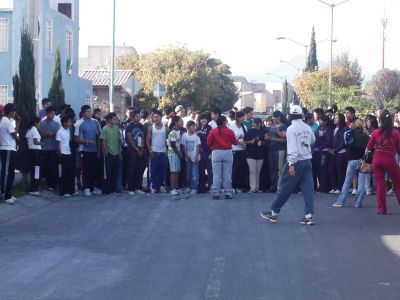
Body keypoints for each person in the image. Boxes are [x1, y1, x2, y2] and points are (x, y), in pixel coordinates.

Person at [260, 105, 316, 225]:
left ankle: (274, 213)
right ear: (302, 115)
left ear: (290, 116)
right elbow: (312, 140)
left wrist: (291, 164)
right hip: (307, 160)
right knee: (308, 189)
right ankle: (309, 216)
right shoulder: (307, 127)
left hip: (296, 161)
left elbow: (292, 148)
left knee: (285, 187)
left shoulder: (291, 129)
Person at [366, 111, 400, 215]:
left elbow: (369, 147)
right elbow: (398, 148)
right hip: (390, 160)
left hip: (377, 160)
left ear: (380, 120)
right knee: (398, 183)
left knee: (380, 185)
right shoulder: (396, 133)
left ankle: (382, 209)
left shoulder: (376, 132)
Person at [333, 119, 370, 208]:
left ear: (354, 125)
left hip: (352, 160)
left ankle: (340, 201)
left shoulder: (351, 133)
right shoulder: (366, 136)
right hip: (362, 161)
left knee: (347, 181)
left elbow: (346, 143)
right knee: (361, 183)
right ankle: (358, 202)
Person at [207, 116, 238, 199]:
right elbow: (235, 142)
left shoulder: (213, 131)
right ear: (224, 122)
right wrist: (238, 139)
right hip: (227, 152)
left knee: (217, 174)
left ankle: (215, 193)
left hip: (216, 153)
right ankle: (228, 192)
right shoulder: (230, 131)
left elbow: (209, 143)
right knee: (227, 174)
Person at [75, 105, 102, 196]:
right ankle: (86, 188)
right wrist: (87, 142)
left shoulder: (95, 122)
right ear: (83, 113)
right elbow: (76, 139)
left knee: (93, 169)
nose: (89, 113)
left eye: (90, 111)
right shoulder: (79, 123)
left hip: (94, 150)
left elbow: (98, 136)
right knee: (85, 170)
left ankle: (92, 187)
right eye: (87, 111)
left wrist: (98, 149)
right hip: (84, 150)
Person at [0, 104, 19, 204]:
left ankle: (8, 193)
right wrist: (18, 122)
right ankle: (6, 195)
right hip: (7, 149)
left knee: (10, 173)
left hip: (10, 149)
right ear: (11, 111)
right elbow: (15, 136)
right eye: (14, 111)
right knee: (7, 173)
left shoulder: (7, 121)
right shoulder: (6, 122)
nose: (15, 113)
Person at [265, 111, 288, 193]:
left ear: (279, 117)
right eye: (273, 118)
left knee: (280, 168)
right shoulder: (272, 127)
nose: (273, 120)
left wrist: (273, 136)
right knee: (272, 169)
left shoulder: (283, 126)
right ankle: (273, 185)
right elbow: (267, 135)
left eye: (275, 118)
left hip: (280, 149)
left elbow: (283, 138)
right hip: (271, 149)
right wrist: (266, 137)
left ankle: (280, 186)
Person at [146, 109, 168, 193]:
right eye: (154, 117)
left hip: (163, 152)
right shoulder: (150, 128)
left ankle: (162, 185)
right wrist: (150, 151)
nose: (155, 119)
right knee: (153, 171)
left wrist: (167, 150)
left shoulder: (165, 128)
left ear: (161, 118)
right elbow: (147, 140)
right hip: (154, 152)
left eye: (157, 117)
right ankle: (154, 186)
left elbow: (168, 140)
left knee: (162, 170)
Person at [39, 106, 61, 191]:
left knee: (53, 167)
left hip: (53, 148)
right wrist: (50, 134)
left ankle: (53, 184)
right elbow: (40, 134)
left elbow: (57, 135)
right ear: (47, 113)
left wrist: (48, 134)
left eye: (54, 113)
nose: (53, 115)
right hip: (44, 148)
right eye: (51, 113)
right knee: (45, 167)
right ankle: (47, 184)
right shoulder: (41, 123)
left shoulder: (56, 124)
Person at [100, 113, 121, 195]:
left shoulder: (116, 128)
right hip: (109, 153)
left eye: (116, 119)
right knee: (107, 173)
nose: (115, 120)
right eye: (114, 119)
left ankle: (113, 189)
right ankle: (107, 190)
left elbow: (119, 141)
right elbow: (103, 142)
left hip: (116, 153)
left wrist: (119, 152)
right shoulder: (105, 129)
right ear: (109, 120)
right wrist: (106, 152)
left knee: (114, 172)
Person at [126, 110, 146, 196]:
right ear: (132, 117)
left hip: (140, 150)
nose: (139, 118)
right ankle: (131, 188)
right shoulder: (129, 126)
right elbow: (130, 139)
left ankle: (138, 187)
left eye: (139, 116)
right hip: (132, 151)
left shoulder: (142, 126)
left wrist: (141, 149)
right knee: (131, 169)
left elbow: (143, 137)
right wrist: (137, 149)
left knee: (140, 169)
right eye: (136, 116)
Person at [244, 118, 266, 193]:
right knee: (252, 170)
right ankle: (252, 187)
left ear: (259, 124)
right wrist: (251, 142)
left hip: (260, 153)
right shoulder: (250, 131)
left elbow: (266, 142)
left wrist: (262, 143)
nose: (253, 124)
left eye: (254, 123)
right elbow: (245, 141)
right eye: (253, 123)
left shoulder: (263, 131)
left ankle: (257, 187)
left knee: (258, 171)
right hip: (250, 153)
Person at [56, 115, 76, 197]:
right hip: (62, 154)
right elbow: (58, 144)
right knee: (63, 173)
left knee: (70, 172)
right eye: (69, 121)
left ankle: (71, 190)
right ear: (64, 123)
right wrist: (60, 154)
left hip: (68, 153)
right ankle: (63, 191)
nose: (70, 123)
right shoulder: (59, 132)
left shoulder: (68, 130)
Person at [328, 114, 347, 194]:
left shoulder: (344, 129)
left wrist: (335, 150)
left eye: (336, 118)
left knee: (340, 171)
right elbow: (331, 140)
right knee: (331, 170)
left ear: (340, 119)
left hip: (341, 153)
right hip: (333, 153)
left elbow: (343, 142)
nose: (334, 119)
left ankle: (339, 187)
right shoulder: (334, 129)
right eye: (334, 118)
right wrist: (330, 148)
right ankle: (334, 186)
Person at [229, 111, 247, 193]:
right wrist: (238, 141)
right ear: (237, 118)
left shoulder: (244, 127)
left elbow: (245, 138)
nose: (243, 119)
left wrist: (244, 144)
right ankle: (233, 186)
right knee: (234, 169)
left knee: (241, 169)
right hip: (234, 150)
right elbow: (229, 139)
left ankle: (239, 186)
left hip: (242, 150)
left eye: (244, 117)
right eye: (242, 117)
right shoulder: (231, 126)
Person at [313, 115, 332, 193]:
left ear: (325, 122)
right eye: (319, 120)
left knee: (323, 169)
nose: (319, 122)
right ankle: (321, 186)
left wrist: (320, 148)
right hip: (317, 152)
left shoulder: (327, 129)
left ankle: (324, 187)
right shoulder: (319, 129)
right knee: (318, 169)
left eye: (321, 120)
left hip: (324, 152)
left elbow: (328, 141)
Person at [182, 120, 201, 195]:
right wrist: (186, 155)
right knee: (188, 173)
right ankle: (189, 187)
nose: (194, 127)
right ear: (188, 127)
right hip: (188, 158)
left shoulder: (196, 137)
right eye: (192, 126)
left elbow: (198, 147)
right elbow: (183, 146)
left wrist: (196, 157)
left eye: (194, 126)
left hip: (195, 158)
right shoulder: (184, 136)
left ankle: (194, 188)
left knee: (195, 174)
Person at [26, 117, 43, 196]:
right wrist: (42, 143)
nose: (39, 124)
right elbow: (35, 142)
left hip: (31, 151)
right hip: (36, 151)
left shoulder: (29, 130)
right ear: (36, 123)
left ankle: (32, 188)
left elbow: (27, 140)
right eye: (39, 123)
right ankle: (34, 188)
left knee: (33, 169)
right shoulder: (34, 129)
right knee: (36, 169)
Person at [197, 113, 213, 193]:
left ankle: (211, 187)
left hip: (208, 151)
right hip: (200, 152)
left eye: (205, 119)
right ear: (199, 120)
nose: (203, 120)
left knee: (210, 170)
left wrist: (210, 152)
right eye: (202, 119)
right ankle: (201, 188)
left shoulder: (209, 128)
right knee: (201, 170)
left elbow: (209, 139)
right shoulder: (197, 128)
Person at [167, 116, 183, 196]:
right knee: (173, 172)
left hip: (176, 154)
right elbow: (173, 144)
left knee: (177, 171)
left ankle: (176, 187)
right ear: (176, 122)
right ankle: (172, 188)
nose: (182, 122)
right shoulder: (173, 132)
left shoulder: (177, 131)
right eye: (180, 121)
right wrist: (178, 153)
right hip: (173, 154)